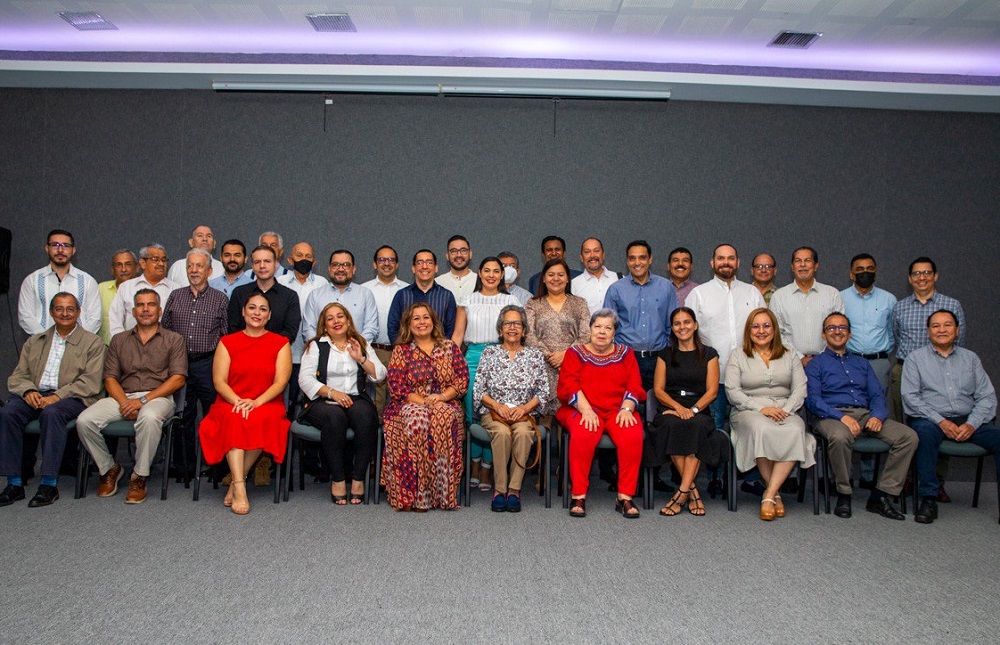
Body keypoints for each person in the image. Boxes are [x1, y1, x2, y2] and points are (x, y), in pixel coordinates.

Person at [76, 289, 187, 504]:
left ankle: (139, 476)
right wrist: (125, 403)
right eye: (140, 305)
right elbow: (110, 378)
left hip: (158, 398)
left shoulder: (174, 339)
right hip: (123, 396)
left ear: (160, 311)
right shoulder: (119, 340)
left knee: (149, 417)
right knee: (84, 421)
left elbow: (177, 380)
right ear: (133, 312)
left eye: (151, 305)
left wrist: (142, 401)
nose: (146, 309)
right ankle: (109, 468)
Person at [805, 313, 916, 520]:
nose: (837, 332)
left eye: (842, 328)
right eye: (831, 328)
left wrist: (877, 416)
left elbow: (876, 395)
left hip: (865, 414)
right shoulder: (815, 364)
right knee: (840, 437)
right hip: (830, 416)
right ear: (823, 334)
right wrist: (841, 417)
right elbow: (813, 400)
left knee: (908, 436)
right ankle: (844, 493)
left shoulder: (863, 364)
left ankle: (881, 495)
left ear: (849, 334)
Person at [0, 294, 105, 507]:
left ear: (78, 312)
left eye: (70, 309)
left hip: (73, 397)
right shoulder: (35, 341)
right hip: (37, 394)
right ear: (51, 312)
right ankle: (14, 483)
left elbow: (91, 381)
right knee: (8, 413)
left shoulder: (93, 343)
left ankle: (48, 484)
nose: (64, 314)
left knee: (52, 413)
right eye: (59, 309)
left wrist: (58, 396)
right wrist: (28, 391)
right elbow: (18, 375)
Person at [902, 309, 998, 525]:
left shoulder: (971, 359)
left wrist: (972, 424)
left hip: (967, 419)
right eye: (936, 326)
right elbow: (911, 398)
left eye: (947, 325)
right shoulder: (915, 359)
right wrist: (941, 421)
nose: (942, 330)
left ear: (957, 330)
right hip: (930, 419)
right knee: (924, 434)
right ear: (928, 331)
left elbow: (987, 397)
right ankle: (929, 498)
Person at [198, 294, 292, 515]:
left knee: (260, 419)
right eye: (252, 308)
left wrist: (256, 402)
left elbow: (280, 382)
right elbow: (219, 382)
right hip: (230, 401)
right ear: (243, 312)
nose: (257, 313)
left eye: (262, 309)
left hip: (266, 402)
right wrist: (238, 401)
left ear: (269, 315)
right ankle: (240, 487)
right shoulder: (227, 342)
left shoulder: (281, 343)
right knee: (236, 419)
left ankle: (235, 482)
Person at [725, 308, 815, 521]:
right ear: (748, 331)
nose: (761, 331)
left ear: (774, 329)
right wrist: (760, 409)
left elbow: (800, 388)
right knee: (762, 429)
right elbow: (732, 391)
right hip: (748, 410)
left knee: (796, 428)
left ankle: (770, 493)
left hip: (785, 408)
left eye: (766, 326)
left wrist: (786, 410)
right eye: (756, 326)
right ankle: (774, 494)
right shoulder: (738, 354)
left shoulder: (789, 353)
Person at [557, 309, 646, 519]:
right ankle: (578, 495)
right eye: (597, 326)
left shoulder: (626, 353)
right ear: (590, 329)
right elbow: (568, 385)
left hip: (618, 409)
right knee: (584, 433)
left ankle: (624, 496)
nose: (602, 332)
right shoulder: (575, 353)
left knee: (632, 434)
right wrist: (586, 410)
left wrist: (627, 408)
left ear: (615, 332)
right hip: (582, 408)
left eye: (608, 328)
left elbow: (634, 384)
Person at [891, 257, 965, 502]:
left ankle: (936, 481)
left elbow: (958, 341)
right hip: (905, 371)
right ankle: (908, 478)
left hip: (941, 372)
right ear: (909, 278)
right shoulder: (900, 307)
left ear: (935, 276)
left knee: (942, 422)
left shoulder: (951, 305)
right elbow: (895, 337)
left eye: (926, 273)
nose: (921, 278)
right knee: (905, 427)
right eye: (916, 274)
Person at [383, 303, 468, 511]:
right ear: (408, 324)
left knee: (443, 417)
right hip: (409, 402)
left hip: (446, 401)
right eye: (416, 318)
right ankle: (414, 495)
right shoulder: (402, 350)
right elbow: (397, 385)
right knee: (417, 420)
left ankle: (442, 495)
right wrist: (425, 402)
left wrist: (441, 397)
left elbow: (462, 379)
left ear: (433, 321)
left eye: (425, 317)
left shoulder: (449, 347)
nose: (422, 322)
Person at [299, 303, 386, 504]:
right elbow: (305, 380)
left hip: (355, 398)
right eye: (330, 318)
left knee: (367, 416)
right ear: (324, 325)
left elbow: (380, 375)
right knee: (334, 417)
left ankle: (358, 478)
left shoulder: (360, 343)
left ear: (348, 320)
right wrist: (332, 392)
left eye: (340, 316)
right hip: (323, 400)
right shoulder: (316, 346)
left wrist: (361, 358)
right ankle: (337, 479)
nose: (336, 321)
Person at [646, 307, 723, 517]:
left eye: (687, 322)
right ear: (672, 328)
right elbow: (658, 390)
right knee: (673, 425)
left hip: (699, 408)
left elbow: (712, 391)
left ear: (695, 325)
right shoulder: (665, 354)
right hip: (671, 406)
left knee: (695, 426)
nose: (682, 327)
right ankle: (692, 492)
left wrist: (693, 409)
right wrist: (678, 409)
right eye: (677, 323)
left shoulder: (709, 354)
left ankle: (681, 493)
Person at [472, 305, 549, 512]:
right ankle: (499, 490)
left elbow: (543, 391)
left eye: (517, 324)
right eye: (508, 323)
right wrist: (497, 405)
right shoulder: (490, 353)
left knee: (523, 434)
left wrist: (524, 408)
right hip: (494, 414)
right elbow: (479, 390)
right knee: (502, 433)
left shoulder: (535, 355)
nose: (512, 327)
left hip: (524, 414)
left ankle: (514, 490)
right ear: (500, 329)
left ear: (524, 330)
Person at [161, 248, 229, 479]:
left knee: (214, 416)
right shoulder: (175, 296)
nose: (194, 270)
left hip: (208, 364)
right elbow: (165, 331)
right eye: (190, 266)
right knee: (182, 416)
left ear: (209, 271)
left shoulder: (220, 299)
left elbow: (226, 336)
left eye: (200, 266)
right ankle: (184, 467)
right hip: (179, 365)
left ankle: (217, 467)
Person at [452, 257, 519, 490]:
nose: (491, 275)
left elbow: (518, 334)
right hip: (472, 358)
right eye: (487, 270)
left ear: (502, 275)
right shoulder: (468, 299)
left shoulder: (511, 301)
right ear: (479, 273)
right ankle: (474, 463)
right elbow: (458, 335)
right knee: (473, 415)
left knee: (495, 414)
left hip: (503, 358)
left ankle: (488, 467)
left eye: (496, 271)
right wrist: (448, 361)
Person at [687, 244, 765, 431]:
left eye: (731, 258)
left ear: (738, 262)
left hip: (749, 377)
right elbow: (686, 335)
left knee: (752, 428)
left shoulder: (752, 293)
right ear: (712, 263)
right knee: (715, 430)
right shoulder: (699, 294)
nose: (726, 262)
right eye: (721, 258)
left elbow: (766, 332)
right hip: (714, 379)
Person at [603, 240, 677, 390]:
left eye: (642, 257)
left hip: (659, 358)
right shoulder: (616, 289)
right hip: (625, 358)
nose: (637, 263)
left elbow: (673, 324)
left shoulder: (666, 287)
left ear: (650, 259)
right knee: (627, 401)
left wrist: (668, 353)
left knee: (657, 401)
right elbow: (607, 326)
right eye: (632, 258)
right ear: (627, 261)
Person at [525, 258, 590, 417]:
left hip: (573, 365)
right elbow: (529, 335)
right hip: (541, 366)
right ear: (544, 278)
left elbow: (586, 335)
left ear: (567, 278)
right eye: (551, 274)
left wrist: (566, 355)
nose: (556, 278)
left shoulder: (580, 303)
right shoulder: (533, 303)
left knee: (572, 415)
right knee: (543, 418)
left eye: (560, 275)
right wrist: (551, 357)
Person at [277, 242, 328, 417]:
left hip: (314, 355)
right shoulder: (280, 283)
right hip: (286, 353)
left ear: (314, 262)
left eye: (308, 256)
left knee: (312, 404)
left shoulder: (322, 284)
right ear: (290, 260)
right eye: (299, 255)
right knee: (286, 404)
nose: (303, 260)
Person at [18, 229, 101, 335]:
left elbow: (95, 318)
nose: (60, 250)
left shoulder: (88, 281)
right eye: (55, 245)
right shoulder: (32, 280)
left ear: (73, 250)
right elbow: (25, 317)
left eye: (66, 245)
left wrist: (76, 340)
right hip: (42, 342)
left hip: (79, 344)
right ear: (47, 248)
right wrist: (46, 339)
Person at [770, 246, 844, 365]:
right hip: (790, 362)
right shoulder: (779, 296)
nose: (803, 265)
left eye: (807, 260)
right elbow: (776, 333)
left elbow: (840, 330)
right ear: (792, 267)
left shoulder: (832, 294)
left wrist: (823, 357)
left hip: (828, 362)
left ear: (816, 266)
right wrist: (799, 358)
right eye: (798, 261)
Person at [361, 245, 409, 415]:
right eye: (381, 259)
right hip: (374, 350)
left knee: (401, 398)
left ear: (397, 264)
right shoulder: (364, 290)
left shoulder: (407, 290)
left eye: (391, 260)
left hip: (401, 351)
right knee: (376, 402)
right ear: (375, 264)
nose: (386, 263)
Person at [228, 245, 301, 345]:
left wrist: (264, 347)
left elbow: (290, 332)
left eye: (267, 261)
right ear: (252, 266)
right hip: (243, 350)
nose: (262, 266)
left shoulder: (290, 296)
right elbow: (232, 328)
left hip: (277, 352)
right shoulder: (239, 293)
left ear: (276, 264)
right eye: (257, 262)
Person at [302, 250, 378, 344]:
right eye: (335, 265)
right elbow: (308, 330)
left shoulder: (366, 294)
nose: (341, 269)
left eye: (346, 265)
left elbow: (371, 328)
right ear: (329, 268)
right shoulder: (315, 295)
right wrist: (325, 348)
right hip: (323, 351)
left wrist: (354, 346)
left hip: (357, 350)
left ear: (354, 269)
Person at [386, 250, 458, 343]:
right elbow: (393, 328)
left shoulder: (447, 296)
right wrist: (402, 349)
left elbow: (451, 330)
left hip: (439, 350)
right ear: (413, 268)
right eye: (420, 263)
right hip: (407, 351)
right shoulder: (402, 295)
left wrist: (440, 349)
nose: (424, 266)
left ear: (436, 268)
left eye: (429, 262)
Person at [108, 243, 178, 336]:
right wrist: (122, 343)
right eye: (155, 259)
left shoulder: (176, 289)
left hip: (166, 343)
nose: (161, 264)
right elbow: (115, 321)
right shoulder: (126, 287)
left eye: (164, 260)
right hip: (132, 343)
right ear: (143, 263)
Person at [97, 249, 138, 344]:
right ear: (112, 269)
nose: (124, 269)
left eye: (128, 264)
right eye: (119, 265)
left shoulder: (145, 291)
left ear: (137, 267)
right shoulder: (101, 288)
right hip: (106, 347)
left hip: (136, 349)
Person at [571, 237, 620, 315]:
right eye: (587, 252)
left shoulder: (618, 279)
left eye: (596, 251)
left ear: (603, 255)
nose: (592, 255)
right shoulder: (573, 285)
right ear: (581, 258)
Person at [435, 235, 476, 301]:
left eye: (463, 250)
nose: (459, 255)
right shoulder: (437, 283)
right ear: (447, 256)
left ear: (470, 254)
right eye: (453, 251)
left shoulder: (480, 282)